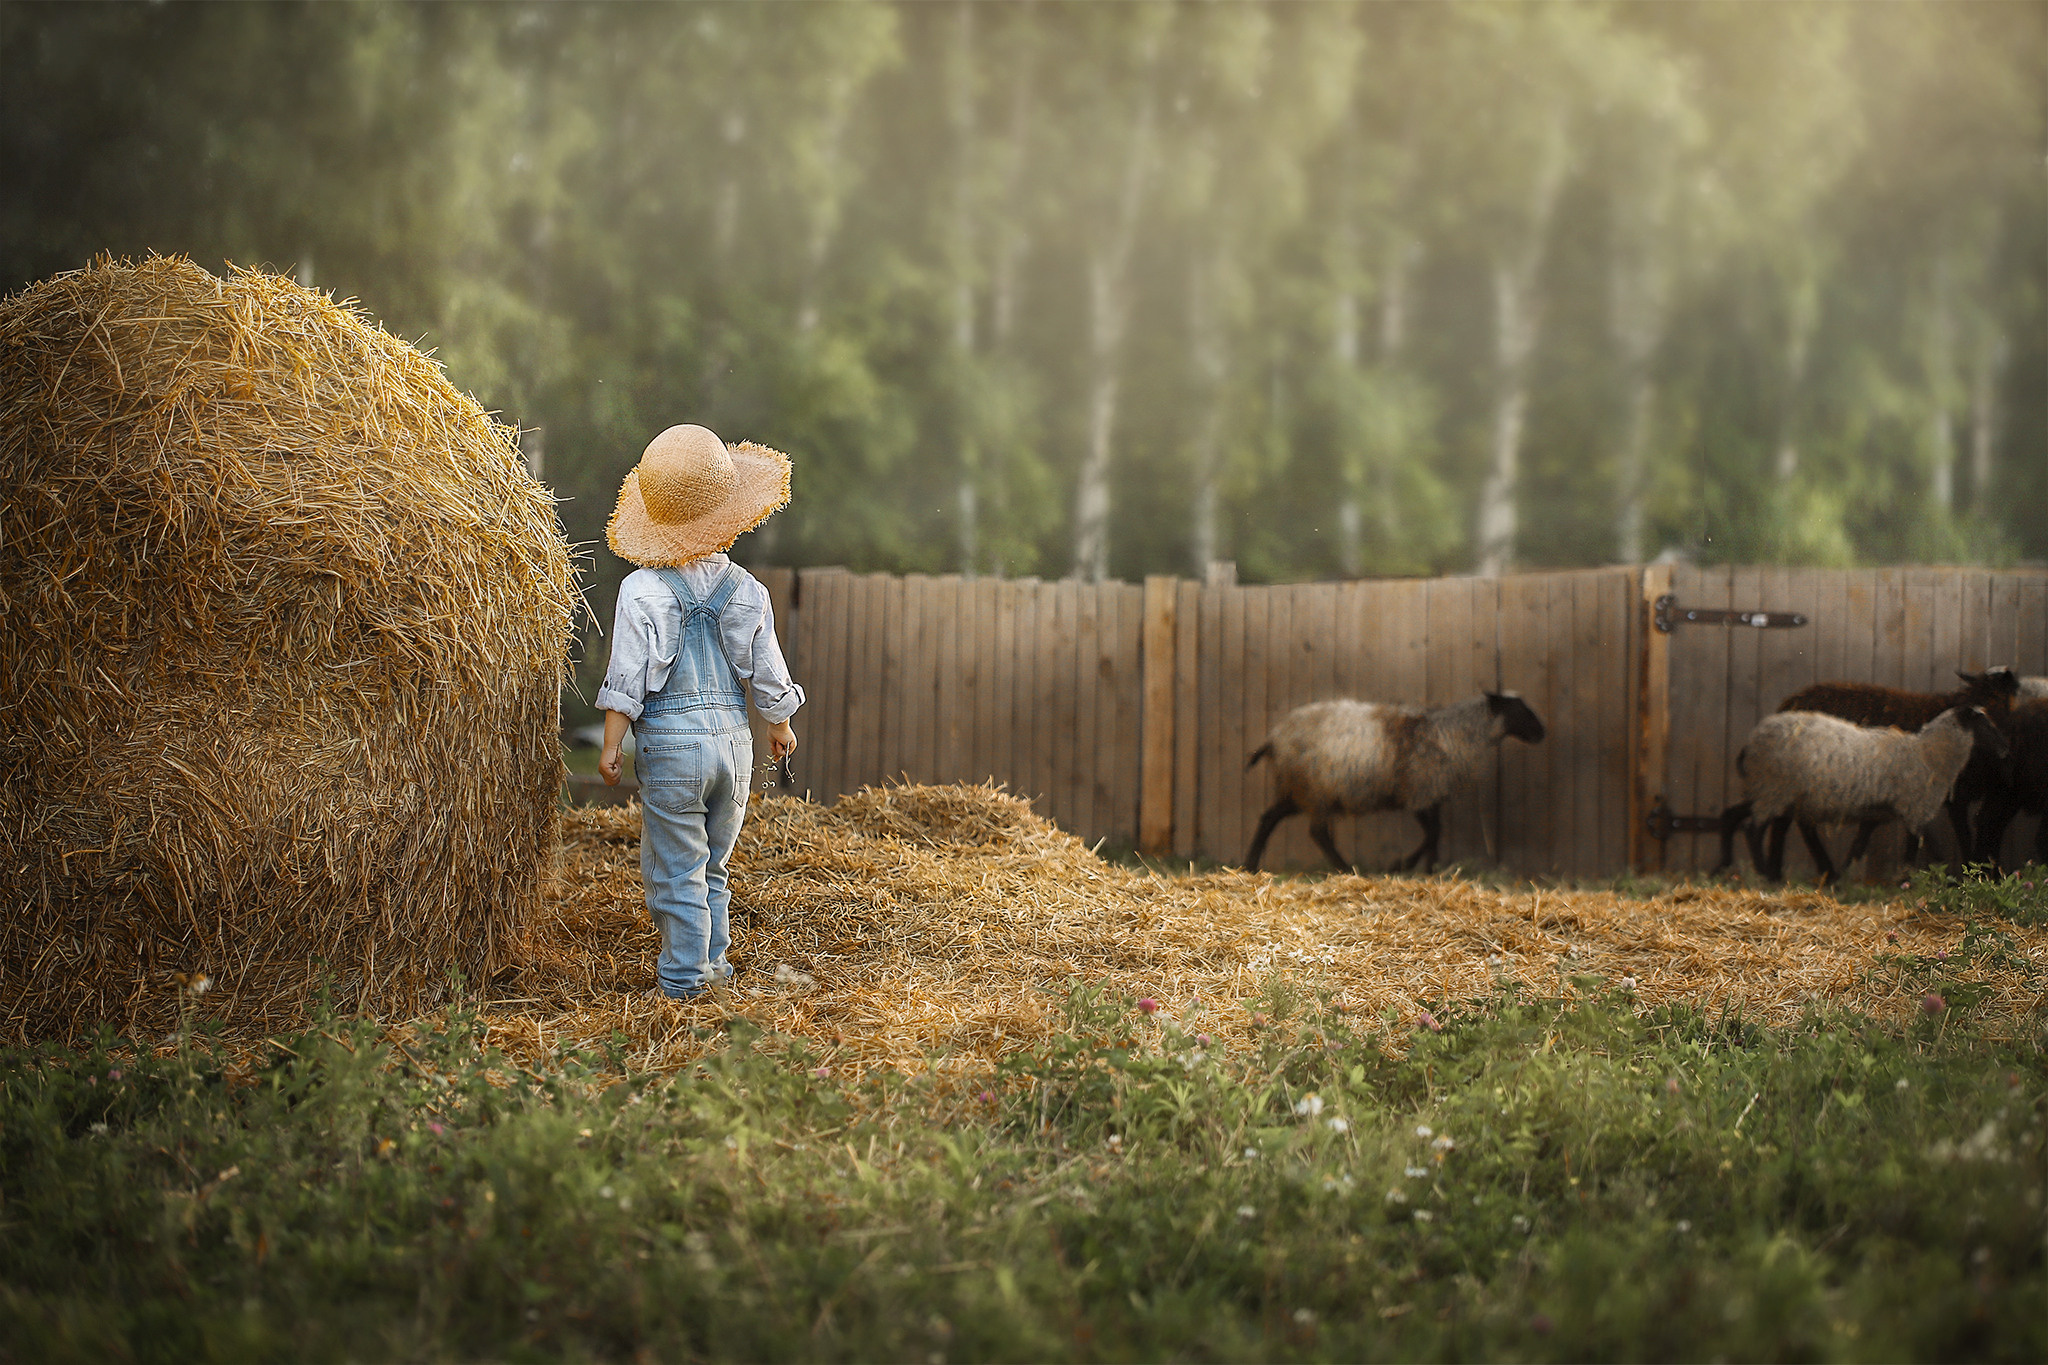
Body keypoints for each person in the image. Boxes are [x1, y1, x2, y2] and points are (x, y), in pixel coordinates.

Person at [595, 424, 802, 1001]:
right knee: (714, 867)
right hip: (735, 749)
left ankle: (685, 988)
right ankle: (715, 973)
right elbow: (767, 668)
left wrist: (611, 744)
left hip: (673, 748)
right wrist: (781, 725)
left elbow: (626, 675)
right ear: (726, 510)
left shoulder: (641, 590)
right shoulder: (746, 588)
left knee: (678, 870)